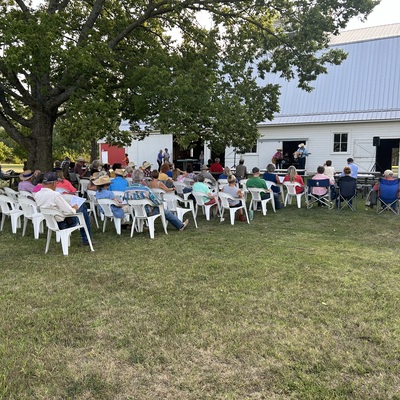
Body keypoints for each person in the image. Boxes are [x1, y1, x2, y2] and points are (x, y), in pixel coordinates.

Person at [34, 171, 93, 246]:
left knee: (78, 210)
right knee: (82, 206)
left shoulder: (37, 194)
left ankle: (87, 221)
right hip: (64, 223)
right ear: (54, 183)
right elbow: (70, 212)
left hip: (50, 222)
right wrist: (74, 207)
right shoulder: (55, 195)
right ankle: (86, 239)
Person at [125, 169, 189, 231]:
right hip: (148, 212)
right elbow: (157, 201)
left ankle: (140, 225)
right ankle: (180, 225)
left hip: (134, 212)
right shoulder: (145, 190)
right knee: (165, 211)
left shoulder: (127, 190)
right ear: (142, 179)